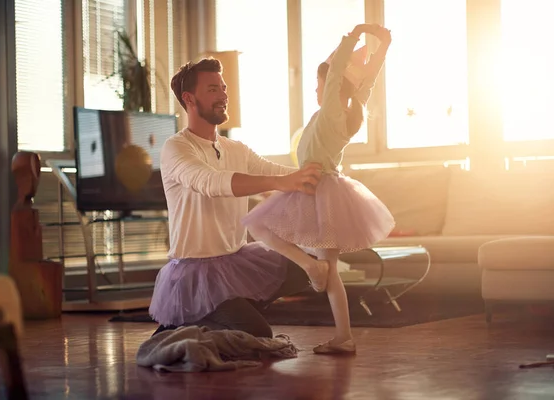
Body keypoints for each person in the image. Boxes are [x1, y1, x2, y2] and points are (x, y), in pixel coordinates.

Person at [241, 23, 395, 354]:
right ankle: (344, 337)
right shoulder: (346, 112)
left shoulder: (330, 113)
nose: (315, 89)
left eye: (318, 82)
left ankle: (308, 266)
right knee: (333, 273)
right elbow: (366, 84)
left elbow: (342, 73)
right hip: (327, 190)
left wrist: (354, 35)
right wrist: (383, 47)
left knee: (254, 223)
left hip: (314, 186)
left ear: (331, 86)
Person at [148, 57, 327, 338]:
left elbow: (276, 171)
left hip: (234, 261)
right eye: (212, 89)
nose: (223, 95)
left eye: (223, 87)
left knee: (298, 266)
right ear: (189, 98)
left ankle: (220, 313)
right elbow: (209, 181)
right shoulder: (176, 148)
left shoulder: (236, 149)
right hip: (196, 273)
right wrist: (281, 181)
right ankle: (187, 321)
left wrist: (320, 178)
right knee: (257, 336)